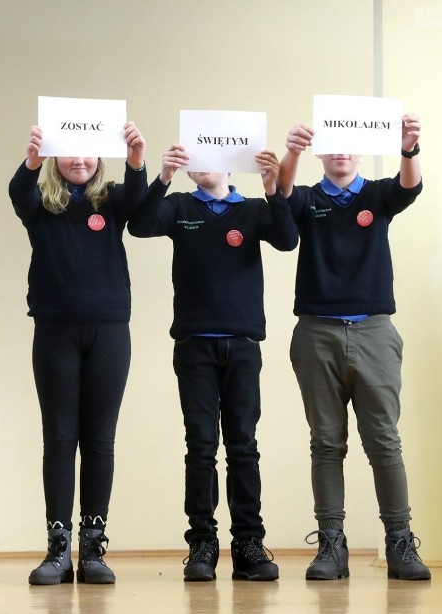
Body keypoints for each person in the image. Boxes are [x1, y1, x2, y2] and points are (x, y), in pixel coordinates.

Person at [128, 145, 297, 582]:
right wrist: (162, 175)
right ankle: (202, 543)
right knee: (201, 447)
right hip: (194, 345)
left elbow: (287, 239)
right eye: (194, 156)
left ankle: (248, 544)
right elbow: (140, 224)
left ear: (228, 163)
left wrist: (273, 190)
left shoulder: (254, 209)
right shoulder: (179, 206)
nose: (202, 163)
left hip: (242, 344)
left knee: (243, 446)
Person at [278, 115, 431, 581]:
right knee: (326, 444)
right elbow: (281, 196)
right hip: (316, 332)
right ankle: (331, 545)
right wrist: (292, 153)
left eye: (349, 147)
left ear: (362, 152)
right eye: (331, 146)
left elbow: (410, 187)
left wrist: (408, 148)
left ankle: (400, 542)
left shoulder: (377, 193)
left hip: (375, 332)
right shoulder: (307, 197)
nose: (341, 152)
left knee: (384, 441)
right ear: (321, 153)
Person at [8, 122, 147, 585]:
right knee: (60, 439)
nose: (79, 160)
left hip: (109, 330)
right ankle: (57, 549)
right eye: (68, 153)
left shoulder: (110, 203)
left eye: (88, 153)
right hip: (54, 332)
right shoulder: (42, 206)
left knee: (100, 440)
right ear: (53, 156)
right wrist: (30, 159)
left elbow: (139, 196)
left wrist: (137, 157)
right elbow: (17, 192)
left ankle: (92, 549)